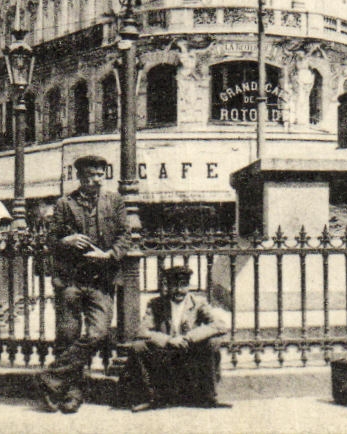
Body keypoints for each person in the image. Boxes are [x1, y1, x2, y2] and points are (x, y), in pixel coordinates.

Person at [37, 154, 128, 414]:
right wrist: (66, 240)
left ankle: (50, 377)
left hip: (101, 280)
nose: (95, 180)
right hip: (71, 281)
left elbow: (125, 235)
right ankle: (72, 394)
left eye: (100, 174)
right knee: (68, 336)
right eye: (90, 175)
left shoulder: (115, 201)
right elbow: (51, 239)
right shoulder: (65, 204)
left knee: (98, 333)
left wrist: (109, 255)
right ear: (79, 177)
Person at [120, 265, 231, 411]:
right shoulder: (156, 304)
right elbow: (141, 330)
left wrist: (189, 338)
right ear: (167, 286)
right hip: (166, 353)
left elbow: (220, 325)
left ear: (188, 286)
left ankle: (209, 396)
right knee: (138, 346)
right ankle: (150, 397)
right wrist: (168, 340)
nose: (179, 290)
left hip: (190, 353)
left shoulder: (198, 303)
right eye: (175, 285)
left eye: (183, 285)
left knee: (213, 342)